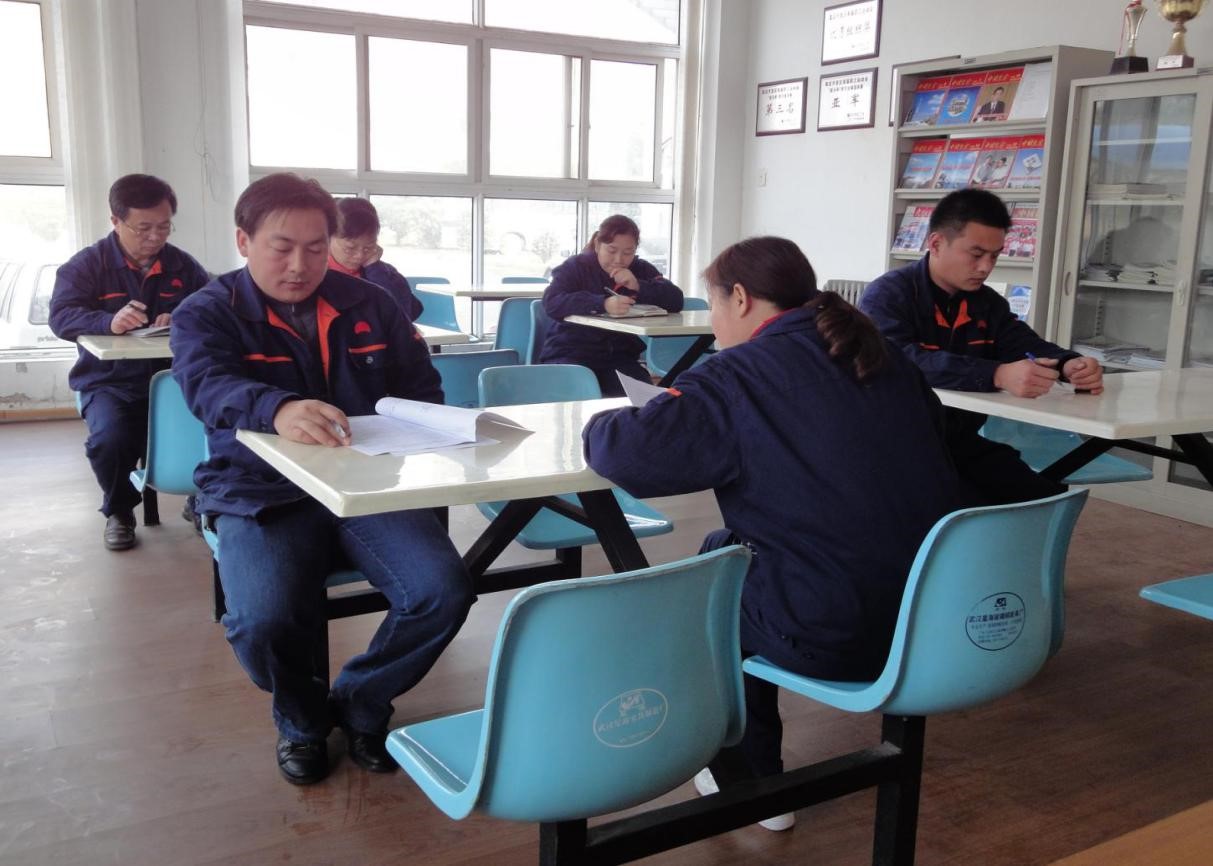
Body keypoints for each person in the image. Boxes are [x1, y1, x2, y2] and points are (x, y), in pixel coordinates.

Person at [582, 236, 960, 829]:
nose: (713, 321)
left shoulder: (736, 377)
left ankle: (749, 774)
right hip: (932, 616)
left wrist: (607, 419)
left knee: (701, 594)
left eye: (714, 304)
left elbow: (626, 453)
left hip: (837, 628)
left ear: (739, 298)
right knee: (720, 551)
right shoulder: (883, 356)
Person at [170, 173, 473, 785]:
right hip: (261, 490)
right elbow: (206, 384)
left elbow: (420, 387)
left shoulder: (371, 303)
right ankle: (303, 719)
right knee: (263, 621)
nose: (299, 265)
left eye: (315, 248)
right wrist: (276, 408)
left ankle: (361, 700)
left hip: (370, 484)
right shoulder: (208, 311)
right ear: (243, 241)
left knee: (442, 591)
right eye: (281, 247)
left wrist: (421, 426)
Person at [860, 187, 1104, 506]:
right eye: (976, 255)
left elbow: (1023, 343)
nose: (986, 267)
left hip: (957, 442)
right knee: (967, 508)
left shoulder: (987, 303)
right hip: (894, 446)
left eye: (995, 255)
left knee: (1044, 499)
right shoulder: (888, 296)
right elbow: (900, 360)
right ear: (936, 243)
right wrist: (997, 375)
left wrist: (1068, 364)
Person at [49, 174, 210, 551]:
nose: (155, 237)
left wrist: (181, 316)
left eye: (164, 226)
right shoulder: (86, 266)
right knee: (110, 439)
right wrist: (107, 321)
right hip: (109, 381)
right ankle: (120, 510)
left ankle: (201, 499)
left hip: (174, 380)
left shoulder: (183, 266)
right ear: (116, 221)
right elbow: (61, 316)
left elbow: (212, 308)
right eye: (144, 228)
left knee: (216, 428)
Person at [539, 214, 685, 396]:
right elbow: (552, 301)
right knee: (579, 394)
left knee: (644, 399)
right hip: (570, 352)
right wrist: (602, 303)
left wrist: (638, 286)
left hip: (619, 356)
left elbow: (676, 300)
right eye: (612, 250)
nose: (619, 259)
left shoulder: (641, 269)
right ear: (597, 245)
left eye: (628, 252)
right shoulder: (576, 266)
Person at [326, 196, 423, 321]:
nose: (359, 255)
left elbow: (401, 318)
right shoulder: (315, 274)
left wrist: (374, 269)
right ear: (327, 237)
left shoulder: (386, 274)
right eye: (350, 248)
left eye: (368, 247)